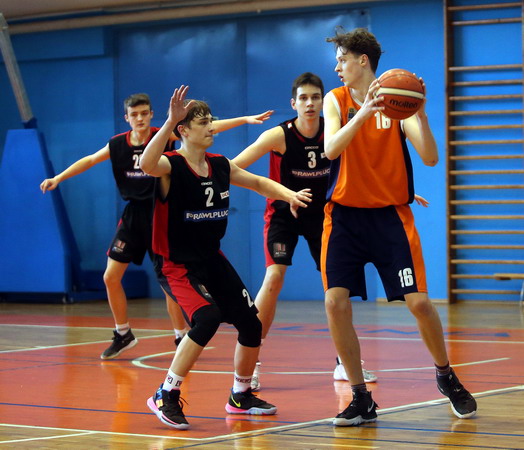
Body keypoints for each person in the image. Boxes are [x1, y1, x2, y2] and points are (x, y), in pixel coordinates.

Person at [40, 92, 274, 359]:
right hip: (133, 216)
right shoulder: (118, 144)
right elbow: (91, 159)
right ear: (126, 118)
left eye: (144, 113)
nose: (140, 118)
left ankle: (180, 334)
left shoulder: (165, 135)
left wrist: (244, 119)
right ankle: (123, 333)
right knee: (110, 276)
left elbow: (207, 126)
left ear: (151, 115)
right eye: (134, 114)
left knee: (171, 281)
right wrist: (58, 177)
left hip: (160, 213)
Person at [321, 27, 477, 426]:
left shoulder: (397, 103)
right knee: (335, 302)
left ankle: (445, 375)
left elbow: (430, 157)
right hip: (344, 218)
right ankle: (360, 398)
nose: (337, 67)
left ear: (362, 61)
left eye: (342, 60)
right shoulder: (336, 100)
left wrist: (419, 113)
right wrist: (363, 114)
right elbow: (331, 149)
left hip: (390, 218)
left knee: (419, 303)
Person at [140, 85, 311, 429]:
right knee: (207, 318)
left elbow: (259, 183)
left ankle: (240, 395)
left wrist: (289, 194)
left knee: (251, 323)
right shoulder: (171, 166)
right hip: (177, 262)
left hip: (211, 258)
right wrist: (169, 121)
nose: (211, 126)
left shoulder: (219, 165)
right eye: (203, 122)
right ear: (184, 131)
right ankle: (165, 393)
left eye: (211, 120)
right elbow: (146, 164)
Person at [233, 72, 379, 389]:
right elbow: (232, 168)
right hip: (284, 214)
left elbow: (367, 164)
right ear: (293, 103)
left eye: (315, 97)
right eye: (303, 98)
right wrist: (280, 193)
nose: (309, 103)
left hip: (323, 217)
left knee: (336, 288)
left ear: (323, 101)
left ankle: (344, 363)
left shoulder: (334, 131)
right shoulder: (279, 135)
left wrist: (399, 191)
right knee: (274, 279)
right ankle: (251, 362)